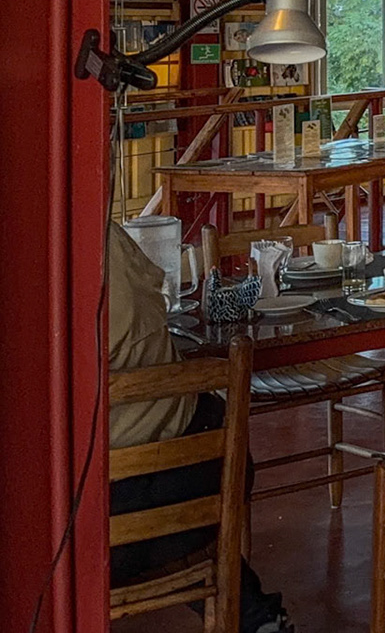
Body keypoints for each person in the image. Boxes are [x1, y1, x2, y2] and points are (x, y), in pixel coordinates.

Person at [107, 223, 296, 633]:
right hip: (202, 482)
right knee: (173, 533)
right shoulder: (106, 239)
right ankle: (255, 617)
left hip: (104, 525)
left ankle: (255, 616)